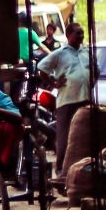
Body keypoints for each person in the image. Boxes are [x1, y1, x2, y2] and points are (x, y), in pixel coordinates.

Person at [38, 22, 90, 173]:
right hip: (67, 101)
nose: (81, 36)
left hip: (84, 99)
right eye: (78, 33)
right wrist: (54, 83)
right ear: (69, 36)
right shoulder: (60, 53)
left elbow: (96, 69)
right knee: (65, 138)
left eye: (82, 33)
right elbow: (42, 68)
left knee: (82, 137)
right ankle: (61, 171)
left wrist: (89, 82)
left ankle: (80, 170)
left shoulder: (85, 52)